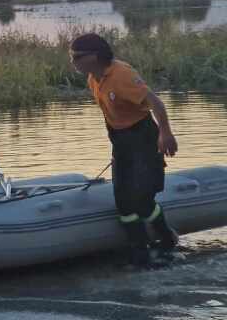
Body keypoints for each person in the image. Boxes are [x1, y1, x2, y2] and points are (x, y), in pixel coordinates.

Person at [70, 33, 179, 267]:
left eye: (77, 57)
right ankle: (139, 251)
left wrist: (165, 133)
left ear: (94, 56)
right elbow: (111, 115)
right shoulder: (93, 78)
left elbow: (156, 103)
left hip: (144, 138)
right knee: (124, 202)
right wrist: (119, 146)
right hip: (121, 142)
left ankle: (167, 238)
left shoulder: (122, 75)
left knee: (142, 199)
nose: (73, 61)